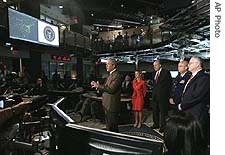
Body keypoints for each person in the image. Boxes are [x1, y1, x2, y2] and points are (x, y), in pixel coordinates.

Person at [178, 56, 210, 144]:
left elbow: (197, 96)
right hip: (189, 111)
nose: (188, 65)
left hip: (196, 113)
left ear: (198, 65)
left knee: (195, 140)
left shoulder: (204, 77)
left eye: (190, 63)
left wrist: (182, 105)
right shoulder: (191, 76)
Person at [91, 58, 122, 132]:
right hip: (107, 104)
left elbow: (111, 89)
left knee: (113, 126)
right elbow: (106, 87)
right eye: (106, 64)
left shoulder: (117, 76)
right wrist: (98, 86)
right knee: (109, 126)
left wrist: (99, 86)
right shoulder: (110, 75)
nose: (106, 66)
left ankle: (115, 142)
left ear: (113, 65)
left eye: (108, 64)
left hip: (112, 105)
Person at [151, 59, 172, 133]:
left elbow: (170, 85)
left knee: (163, 113)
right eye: (153, 65)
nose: (154, 67)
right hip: (155, 96)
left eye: (156, 65)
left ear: (160, 65)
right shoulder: (153, 73)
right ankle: (156, 124)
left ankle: (163, 126)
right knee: (155, 111)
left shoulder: (166, 73)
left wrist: (170, 96)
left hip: (163, 97)